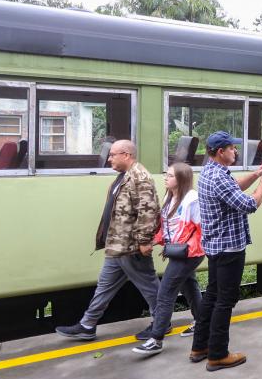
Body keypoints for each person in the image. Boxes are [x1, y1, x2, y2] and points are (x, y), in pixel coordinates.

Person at [57, 140, 161, 341]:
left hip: (131, 247)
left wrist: (144, 240)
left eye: (113, 155)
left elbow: (148, 211)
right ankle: (87, 325)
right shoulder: (124, 177)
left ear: (126, 155)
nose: (109, 159)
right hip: (117, 246)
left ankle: (161, 322)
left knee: (149, 287)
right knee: (104, 287)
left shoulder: (140, 177)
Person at [190, 131, 262, 371]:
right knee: (225, 301)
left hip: (215, 245)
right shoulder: (219, 177)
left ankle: (200, 347)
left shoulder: (210, 171)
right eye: (232, 148)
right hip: (229, 248)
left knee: (212, 296)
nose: (235, 152)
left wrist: (257, 173)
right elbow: (249, 204)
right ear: (220, 152)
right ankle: (217, 354)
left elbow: (234, 187)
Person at [132, 162, 204, 356]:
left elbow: (202, 229)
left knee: (165, 294)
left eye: (170, 175)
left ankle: (156, 339)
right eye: (166, 174)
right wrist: (154, 241)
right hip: (177, 251)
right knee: (189, 286)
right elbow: (167, 229)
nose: (165, 178)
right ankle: (202, 322)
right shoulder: (170, 196)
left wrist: (187, 248)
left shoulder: (192, 199)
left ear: (181, 179)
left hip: (188, 254)